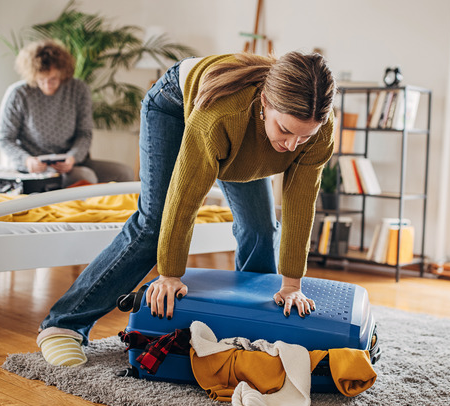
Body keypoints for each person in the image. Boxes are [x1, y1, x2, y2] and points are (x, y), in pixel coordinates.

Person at [36, 51, 336, 367]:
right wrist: (170, 273)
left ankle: (252, 328)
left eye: (305, 136)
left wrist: (291, 285)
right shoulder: (222, 116)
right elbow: (185, 198)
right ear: (265, 103)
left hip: (243, 133)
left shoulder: (318, 131)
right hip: (175, 105)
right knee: (155, 223)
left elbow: (299, 207)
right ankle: (64, 325)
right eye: (285, 131)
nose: (292, 145)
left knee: (261, 228)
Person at [0, 39, 134, 187]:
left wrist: (72, 158)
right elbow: (5, 138)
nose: (47, 85)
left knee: (124, 173)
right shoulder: (18, 93)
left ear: (63, 73)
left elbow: (84, 133)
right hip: (34, 168)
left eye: (53, 79)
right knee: (85, 176)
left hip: (72, 163)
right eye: (41, 80)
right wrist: (27, 160)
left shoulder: (79, 89)